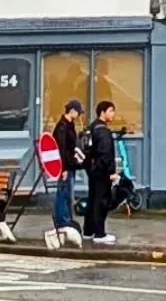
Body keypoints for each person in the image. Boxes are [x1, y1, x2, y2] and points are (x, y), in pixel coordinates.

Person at [82, 99, 118, 245]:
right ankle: (99, 233)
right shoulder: (103, 132)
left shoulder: (92, 128)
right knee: (101, 202)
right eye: (111, 111)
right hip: (102, 172)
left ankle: (88, 231)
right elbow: (106, 154)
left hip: (92, 171)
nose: (113, 114)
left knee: (92, 200)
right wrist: (111, 172)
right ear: (102, 112)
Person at [51, 99, 84, 242]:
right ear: (72, 111)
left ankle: (66, 219)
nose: (79, 115)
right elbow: (61, 149)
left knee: (67, 193)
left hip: (70, 165)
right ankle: (63, 220)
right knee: (63, 193)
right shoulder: (63, 127)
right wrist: (63, 168)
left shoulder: (68, 125)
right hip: (66, 166)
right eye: (78, 112)